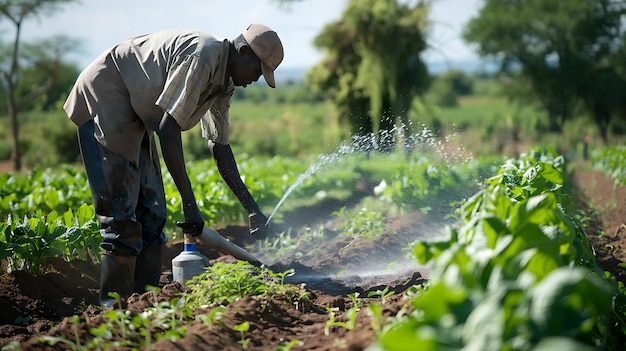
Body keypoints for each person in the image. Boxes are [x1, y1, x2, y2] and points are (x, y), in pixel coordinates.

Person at [63, 24, 284, 308]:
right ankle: (113, 313)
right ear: (243, 52)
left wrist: (252, 208)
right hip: (108, 94)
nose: (255, 79)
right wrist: (189, 202)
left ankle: (144, 302)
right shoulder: (202, 57)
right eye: (257, 71)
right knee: (121, 219)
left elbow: (219, 145)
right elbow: (169, 129)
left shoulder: (225, 83)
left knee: (153, 215)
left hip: (138, 114)